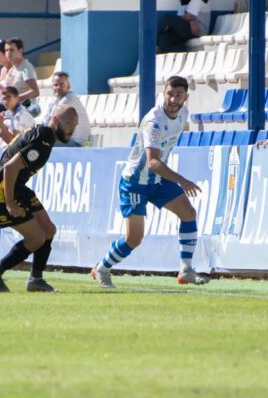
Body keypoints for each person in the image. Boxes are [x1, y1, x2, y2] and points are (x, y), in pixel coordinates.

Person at [90, 76, 210, 288]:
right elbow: (153, 162)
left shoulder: (184, 113)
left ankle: (186, 270)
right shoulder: (154, 121)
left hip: (157, 180)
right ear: (163, 94)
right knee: (134, 239)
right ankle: (102, 268)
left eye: (178, 95)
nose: (173, 99)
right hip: (136, 182)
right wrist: (182, 180)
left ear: (186, 97)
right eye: (170, 94)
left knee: (189, 213)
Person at [0, 106, 79, 293]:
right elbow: (10, 168)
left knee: (49, 230)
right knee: (36, 238)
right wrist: (9, 202)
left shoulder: (41, 134)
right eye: (68, 124)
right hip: (1, 191)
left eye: (74, 125)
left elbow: (13, 147)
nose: (71, 129)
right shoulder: (42, 141)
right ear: (55, 121)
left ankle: (36, 280)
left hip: (17, 187)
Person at [42, 71, 92, 146]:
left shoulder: (69, 98)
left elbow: (50, 122)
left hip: (77, 144)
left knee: (43, 144)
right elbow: (45, 122)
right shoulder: (56, 101)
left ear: (68, 86)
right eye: (55, 85)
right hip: (67, 141)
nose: (58, 87)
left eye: (61, 84)